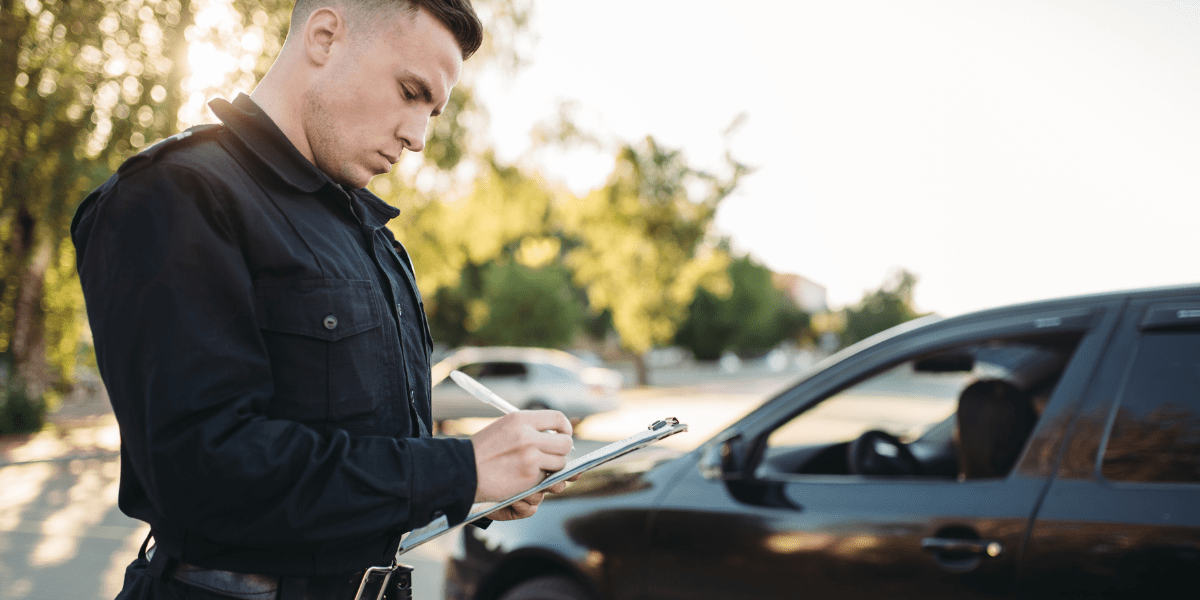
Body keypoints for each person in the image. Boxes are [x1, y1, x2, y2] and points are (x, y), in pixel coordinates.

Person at [71, 1, 576, 598]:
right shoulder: (177, 194)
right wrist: (460, 468)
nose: (417, 137)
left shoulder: (372, 239)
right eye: (410, 91)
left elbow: (366, 455)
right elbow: (204, 469)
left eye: (433, 111)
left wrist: (479, 482)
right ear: (326, 35)